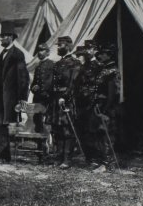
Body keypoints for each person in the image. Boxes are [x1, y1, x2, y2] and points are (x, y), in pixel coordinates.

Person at [0, 21, 29, 164]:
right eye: (1, 36)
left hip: (9, 98)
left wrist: (22, 99)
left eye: (3, 36)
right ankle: (4, 155)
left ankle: (3, 156)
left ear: (11, 37)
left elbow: (23, 78)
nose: (1, 39)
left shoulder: (18, 54)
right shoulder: (2, 54)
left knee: (2, 125)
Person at [48, 35, 82, 168]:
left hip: (67, 100)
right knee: (57, 129)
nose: (58, 47)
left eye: (60, 45)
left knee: (67, 129)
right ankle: (58, 157)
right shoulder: (57, 64)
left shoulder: (75, 63)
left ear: (68, 46)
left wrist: (65, 97)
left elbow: (74, 83)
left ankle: (67, 159)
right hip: (56, 99)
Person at [88, 44, 121, 169]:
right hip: (99, 105)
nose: (100, 56)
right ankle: (102, 160)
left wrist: (106, 109)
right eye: (99, 54)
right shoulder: (103, 69)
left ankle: (108, 163)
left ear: (109, 55)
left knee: (107, 135)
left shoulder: (113, 71)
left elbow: (113, 93)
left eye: (103, 54)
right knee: (99, 134)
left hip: (107, 107)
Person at [71, 42, 102, 167]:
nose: (88, 51)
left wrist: (97, 100)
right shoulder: (83, 66)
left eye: (90, 49)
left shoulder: (99, 66)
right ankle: (88, 157)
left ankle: (96, 158)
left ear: (95, 50)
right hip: (81, 102)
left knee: (92, 130)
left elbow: (99, 86)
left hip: (92, 102)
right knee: (82, 130)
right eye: (87, 49)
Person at [29, 42, 55, 162]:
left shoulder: (51, 65)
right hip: (38, 99)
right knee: (38, 122)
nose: (39, 53)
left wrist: (43, 90)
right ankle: (40, 150)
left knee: (46, 124)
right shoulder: (38, 66)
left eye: (42, 50)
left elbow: (52, 82)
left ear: (48, 52)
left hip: (47, 99)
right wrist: (33, 87)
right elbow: (34, 82)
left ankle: (46, 150)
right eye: (38, 50)